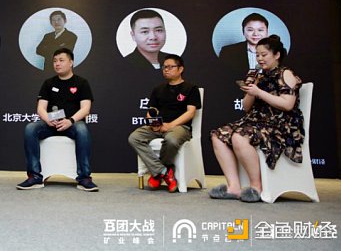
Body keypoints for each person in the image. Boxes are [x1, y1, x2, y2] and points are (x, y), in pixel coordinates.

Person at [209, 35, 304, 202]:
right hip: (256, 120)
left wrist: (259, 92)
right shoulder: (258, 75)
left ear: (277, 55)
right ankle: (234, 187)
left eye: (264, 55)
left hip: (280, 124)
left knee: (239, 137)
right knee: (218, 135)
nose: (260, 59)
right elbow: (246, 107)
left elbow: (287, 104)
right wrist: (251, 91)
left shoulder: (285, 73)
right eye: (257, 55)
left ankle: (256, 187)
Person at [16, 47, 98, 192]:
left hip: (72, 124)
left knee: (82, 128)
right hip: (51, 124)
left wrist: (70, 121)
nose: (57, 64)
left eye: (61, 60)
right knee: (30, 128)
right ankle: (34, 176)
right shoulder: (48, 83)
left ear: (71, 62)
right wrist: (48, 119)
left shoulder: (81, 83)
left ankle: (84, 177)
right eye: (55, 61)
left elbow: (85, 109)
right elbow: (41, 108)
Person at [128, 54, 201, 193]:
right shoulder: (158, 89)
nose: (166, 70)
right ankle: (164, 172)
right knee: (134, 137)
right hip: (158, 126)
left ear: (180, 69)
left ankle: (158, 173)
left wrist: (171, 125)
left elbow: (190, 112)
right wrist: (153, 123)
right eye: (164, 67)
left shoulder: (191, 88)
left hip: (180, 127)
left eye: (170, 67)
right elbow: (151, 111)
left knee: (171, 140)